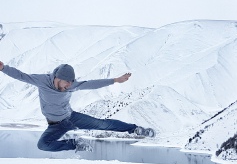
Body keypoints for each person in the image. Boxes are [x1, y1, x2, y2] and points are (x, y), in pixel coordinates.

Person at [0, 62, 155, 152]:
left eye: (71, 83)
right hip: (54, 125)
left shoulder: (72, 85)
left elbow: (92, 84)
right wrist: (3, 68)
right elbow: (21, 76)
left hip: (71, 118)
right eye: (66, 83)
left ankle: (135, 129)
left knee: (102, 124)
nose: (68, 86)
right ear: (57, 78)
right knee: (42, 145)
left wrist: (115, 80)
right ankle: (75, 144)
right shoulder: (41, 81)